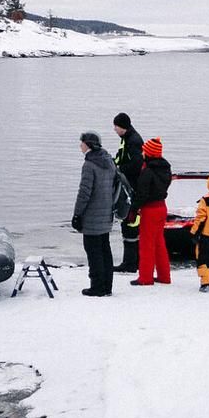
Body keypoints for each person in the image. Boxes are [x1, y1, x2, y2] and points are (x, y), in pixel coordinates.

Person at [71, 131, 118, 296]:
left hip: (92, 216)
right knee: (105, 249)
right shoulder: (109, 161)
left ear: (88, 145)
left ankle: (97, 286)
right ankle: (107, 286)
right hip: (106, 213)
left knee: (93, 250)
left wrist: (77, 214)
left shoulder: (89, 165)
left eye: (82, 142)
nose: (80, 145)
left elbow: (84, 193)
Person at [129, 136, 174, 286]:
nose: (142, 154)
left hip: (150, 209)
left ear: (148, 153)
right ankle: (164, 276)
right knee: (159, 242)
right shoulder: (165, 169)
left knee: (146, 244)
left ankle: (145, 277)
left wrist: (133, 210)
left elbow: (142, 194)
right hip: (162, 207)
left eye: (144, 151)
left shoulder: (147, 171)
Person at [113, 113, 146, 273]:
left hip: (132, 188)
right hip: (129, 186)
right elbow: (121, 158)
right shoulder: (127, 138)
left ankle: (130, 263)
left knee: (130, 223)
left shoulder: (133, 141)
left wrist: (119, 171)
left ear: (123, 126)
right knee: (128, 223)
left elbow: (136, 164)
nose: (114, 129)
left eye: (116, 126)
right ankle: (132, 261)